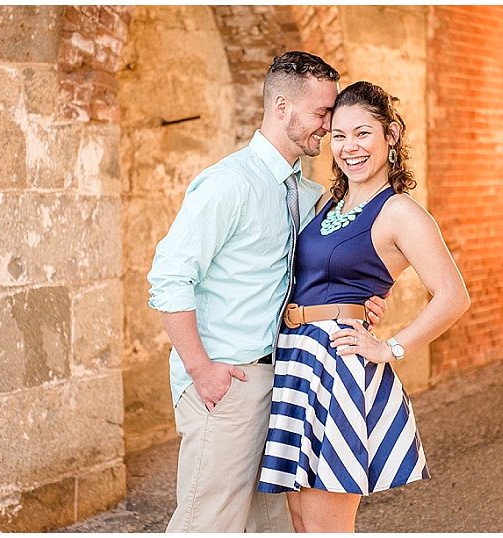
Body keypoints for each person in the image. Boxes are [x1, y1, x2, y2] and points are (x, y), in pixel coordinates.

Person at [147, 53, 388, 533]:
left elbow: (312, 269)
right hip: (228, 383)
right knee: (207, 524)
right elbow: (170, 277)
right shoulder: (229, 184)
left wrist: (351, 301)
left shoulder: (303, 191)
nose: (328, 127)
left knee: (267, 526)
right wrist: (201, 370)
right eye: (322, 114)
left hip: (283, 381)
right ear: (282, 107)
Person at [257, 80, 471, 533]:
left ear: (390, 135)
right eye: (338, 135)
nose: (349, 147)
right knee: (298, 519)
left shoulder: (400, 213)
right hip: (297, 362)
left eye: (362, 133)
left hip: (337, 368)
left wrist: (389, 348)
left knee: (325, 525)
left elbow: (453, 296)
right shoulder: (329, 202)